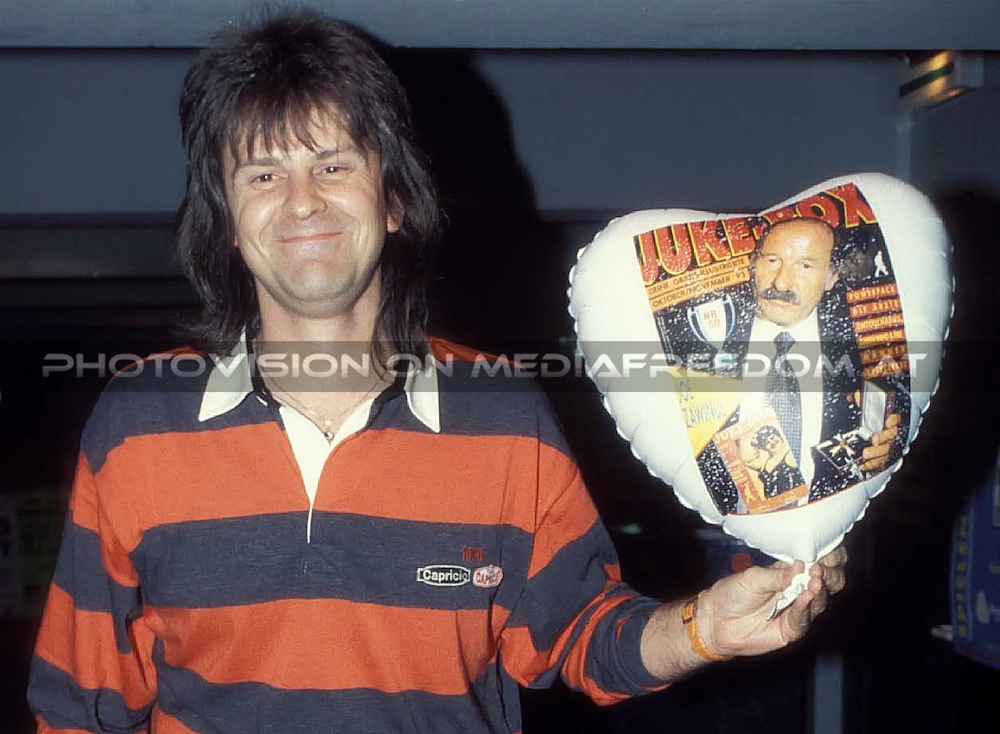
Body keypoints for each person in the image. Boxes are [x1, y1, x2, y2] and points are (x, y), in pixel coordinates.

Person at [27, 10, 845, 733]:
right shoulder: (139, 420)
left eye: (334, 165)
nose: (302, 200)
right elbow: (77, 702)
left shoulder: (502, 413)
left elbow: (580, 635)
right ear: (229, 223)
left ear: (393, 202)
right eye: (263, 175)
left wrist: (707, 629)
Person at [718, 217, 902, 504]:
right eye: (772, 260)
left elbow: (895, 422)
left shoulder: (865, 344)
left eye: (805, 266)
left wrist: (890, 443)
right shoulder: (707, 340)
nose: (781, 282)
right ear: (752, 265)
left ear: (832, 277)